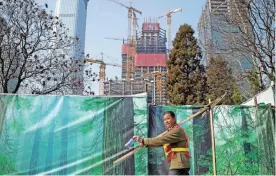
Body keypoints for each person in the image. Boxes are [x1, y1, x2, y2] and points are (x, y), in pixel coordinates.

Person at [133, 111, 191, 175]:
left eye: (168, 118)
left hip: (179, 164)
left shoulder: (177, 131)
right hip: (180, 163)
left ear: (174, 119)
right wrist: (145, 144)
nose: (166, 121)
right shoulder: (171, 131)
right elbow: (160, 143)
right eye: (164, 120)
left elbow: (160, 140)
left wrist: (143, 140)